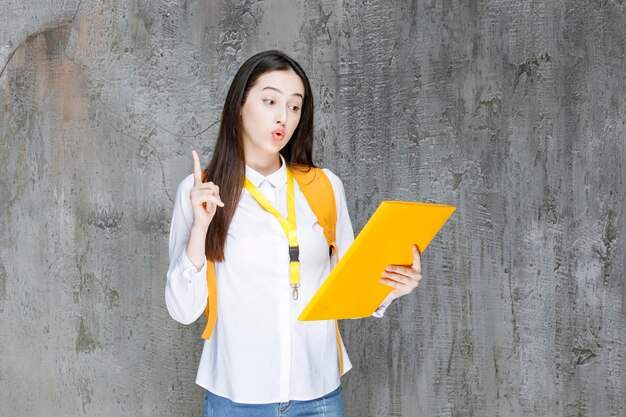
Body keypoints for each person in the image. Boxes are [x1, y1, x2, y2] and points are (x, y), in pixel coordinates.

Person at [165, 50, 423, 417]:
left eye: (294, 106)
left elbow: (349, 283)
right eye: (270, 101)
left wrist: (391, 287)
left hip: (318, 395)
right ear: (239, 105)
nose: (282, 117)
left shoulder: (324, 187)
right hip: (237, 399)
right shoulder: (200, 192)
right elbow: (182, 310)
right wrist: (200, 228)